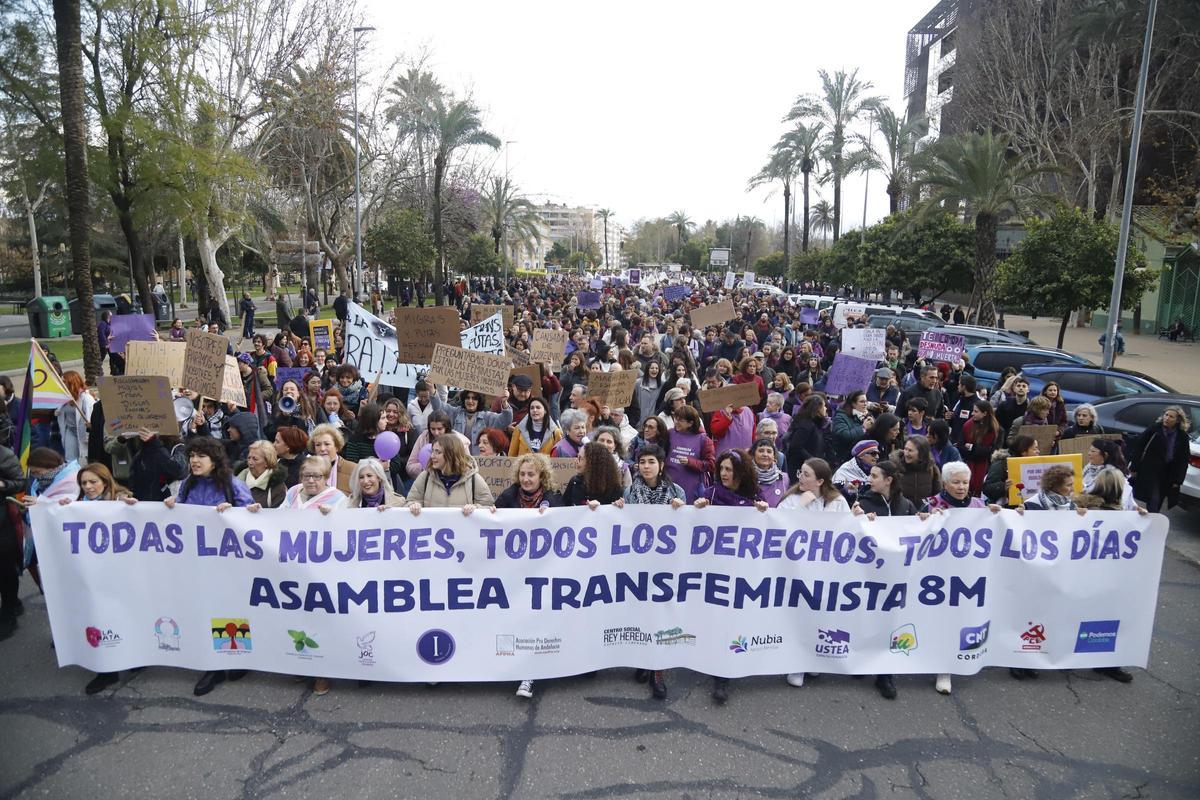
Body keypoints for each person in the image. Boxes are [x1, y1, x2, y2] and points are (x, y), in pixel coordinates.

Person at [164, 437, 257, 697]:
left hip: (227, 562)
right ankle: (213, 665)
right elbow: (180, 518)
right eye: (191, 455)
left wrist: (235, 510)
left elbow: (252, 516)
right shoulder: (187, 484)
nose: (194, 460)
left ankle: (238, 657)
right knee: (204, 610)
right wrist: (172, 506)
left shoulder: (232, 484)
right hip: (196, 561)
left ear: (214, 460)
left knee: (230, 611)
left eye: (200, 456)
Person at [693, 448, 766, 704]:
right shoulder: (711, 494)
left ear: (741, 472)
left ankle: (728, 666)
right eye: (721, 469)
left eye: (729, 469)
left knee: (734, 623)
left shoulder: (755, 497)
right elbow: (694, 527)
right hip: (715, 570)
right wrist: (698, 508)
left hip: (743, 572)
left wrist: (764, 513)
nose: (724, 473)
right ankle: (719, 674)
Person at [55, 463, 136, 692]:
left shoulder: (122, 500)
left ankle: (138, 658)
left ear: (105, 481)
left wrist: (134, 508)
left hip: (121, 576)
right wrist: (61, 509)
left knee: (127, 616)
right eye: (83, 483)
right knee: (100, 618)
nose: (88, 487)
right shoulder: (79, 506)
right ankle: (107, 670)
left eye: (93, 482)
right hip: (94, 577)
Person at [850, 459, 919, 700]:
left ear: (888, 480)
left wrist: (931, 519)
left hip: (897, 574)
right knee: (866, 618)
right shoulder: (863, 502)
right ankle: (861, 660)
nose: (870, 480)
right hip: (869, 573)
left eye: (875, 476)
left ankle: (885, 674)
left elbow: (917, 529)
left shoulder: (906, 505)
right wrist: (856, 519)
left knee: (891, 621)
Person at [406, 434, 494, 512]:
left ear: (451, 455)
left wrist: (475, 508)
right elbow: (409, 502)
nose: (432, 456)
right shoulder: (425, 477)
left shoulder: (473, 479)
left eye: (438, 452)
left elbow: (488, 507)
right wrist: (413, 505)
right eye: (432, 451)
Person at [1130, 406, 1191, 512]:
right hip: (1149, 471)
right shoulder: (1154, 430)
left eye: (1171, 417)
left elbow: (1184, 459)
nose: (1167, 418)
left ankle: (1150, 521)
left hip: (1167, 475)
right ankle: (1149, 521)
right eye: (1166, 415)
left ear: (1178, 420)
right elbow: (1139, 447)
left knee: (1157, 501)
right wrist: (1134, 467)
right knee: (1153, 498)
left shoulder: (1182, 436)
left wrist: (1178, 480)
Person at [664, 405, 715, 502]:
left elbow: (711, 465)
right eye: (675, 419)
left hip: (692, 490)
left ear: (690, 423)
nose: (676, 423)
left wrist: (690, 462)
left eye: (680, 420)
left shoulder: (704, 440)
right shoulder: (669, 433)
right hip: (670, 487)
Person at [982, 434, 1040, 506]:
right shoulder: (1002, 464)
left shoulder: (1036, 465)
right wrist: (1004, 486)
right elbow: (987, 488)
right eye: (1035, 449)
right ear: (1023, 451)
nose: (1038, 451)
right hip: (1007, 509)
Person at [448, 391, 512, 454]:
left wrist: (504, 402)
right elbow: (440, 407)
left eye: (474, 398)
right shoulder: (455, 413)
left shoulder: (486, 417)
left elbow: (505, 421)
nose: (470, 401)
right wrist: (437, 392)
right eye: (467, 398)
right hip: (458, 460)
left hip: (479, 461)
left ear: (479, 401)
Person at [563, 441, 624, 507]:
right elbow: (563, 507)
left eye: (580, 458)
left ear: (592, 463)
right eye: (577, 457)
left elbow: (613, 516)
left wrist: (616, 506)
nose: (576, 461)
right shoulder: (575, 482)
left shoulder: (614, 488)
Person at [334, 458, 405, 511]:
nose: (365, 481)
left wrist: (391, 513)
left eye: (369, 476)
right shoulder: (348, 504)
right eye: (361, 477)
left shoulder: (399, 502)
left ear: (379, 477)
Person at [234, 440, 288, 508]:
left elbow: (278, 515)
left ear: (267, 462)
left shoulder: (278, 488)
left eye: (255, 459)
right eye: (249, 458)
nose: (250, 462)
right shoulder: (236, 482)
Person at [785, 395, 829, 477]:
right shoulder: (806, 425)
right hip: (801, 468)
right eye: (824, 406)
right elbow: (796, 446)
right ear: (817, 408)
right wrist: (812, 460)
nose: (826, 408)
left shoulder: (814, 424)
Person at [56, 371, 94, 463]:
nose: (61, 384)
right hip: (70, 431)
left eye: (64, 382)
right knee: (70, 459)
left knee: (84, 459)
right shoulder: (64, 397)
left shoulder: (86, 398)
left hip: (83, 434)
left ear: (71, 383)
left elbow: (91, 417)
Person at [893, 435, 942, 507]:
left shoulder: (931, 469)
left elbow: (937, 494)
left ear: (921, 453)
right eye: (905, 449)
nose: (906, 453)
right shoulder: (895, 467)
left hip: (924, 514)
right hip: (902, 514)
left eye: (910, 450)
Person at [831, 391, 870, 466]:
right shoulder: (840, 416)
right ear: (853, 404)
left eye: (866, 401)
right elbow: (844, 436)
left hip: (863, 457)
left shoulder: (866, 415)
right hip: (846, 459)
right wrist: (863, 428)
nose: (865, 404)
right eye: (862, 402)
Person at [751, 437, 788, 507]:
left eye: (769, 451)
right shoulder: (746, 476)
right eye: (761, 451)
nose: (765, 454)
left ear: (774, 456)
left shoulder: (784, 478)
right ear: (753, 454)